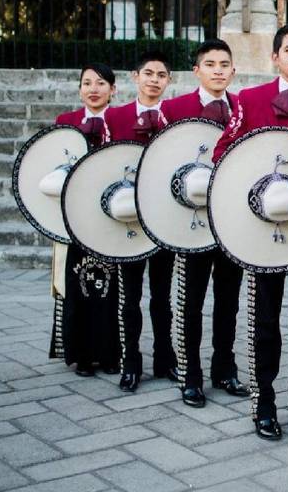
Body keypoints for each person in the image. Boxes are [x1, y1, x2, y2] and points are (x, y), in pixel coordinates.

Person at [213, 23, 288, 440]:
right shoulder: (250, 99)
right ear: (275, 58)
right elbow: (223, 151)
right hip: (264, 225)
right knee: (265, 317)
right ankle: (264, 401)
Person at [161, 39, 249, 407]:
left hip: (229, 219)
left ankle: (224, 368)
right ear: (196, 70)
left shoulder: (245, 108)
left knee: (229, 300)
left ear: (233, 71)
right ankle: (191, 375)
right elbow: (160, 162)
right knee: (191, 300)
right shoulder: (173, 108)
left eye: (224, 64)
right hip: (189, 217)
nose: (217, 70)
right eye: (209, 63)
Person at [104, 52, 178, 392]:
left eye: (161, 75)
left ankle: (166, 359)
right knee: (129, 297)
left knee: (162, 297)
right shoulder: (115, 116)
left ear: (168, 81)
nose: (154, 80)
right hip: (126, 218)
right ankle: (130, 363)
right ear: (135, 77)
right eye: (148, 73)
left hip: (161, 217)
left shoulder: (175, 118)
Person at [52, 64, 120, 376]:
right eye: (87, 83)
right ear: (80, 88)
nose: (93, 88)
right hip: (74, 216)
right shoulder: (65, 123)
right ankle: (80, 354)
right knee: (77, 282)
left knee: (110, 286)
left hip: (109, 217)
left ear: (113, 89)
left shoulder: (121, 121)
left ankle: (109, 353)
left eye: (101, 83)